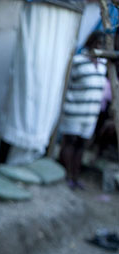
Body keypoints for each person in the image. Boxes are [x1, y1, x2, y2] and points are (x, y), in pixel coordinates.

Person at [59, 31, 107, 189]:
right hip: (74, 110)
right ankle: (66, 175)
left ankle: (75, 175)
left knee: (81, 145)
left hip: (91, 113)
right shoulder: (78, 61)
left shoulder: (103, 64)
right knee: (70, 142)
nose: (99, 47)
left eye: (102, 44)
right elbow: (66, 84)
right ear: (90, 43)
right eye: (97, 43)